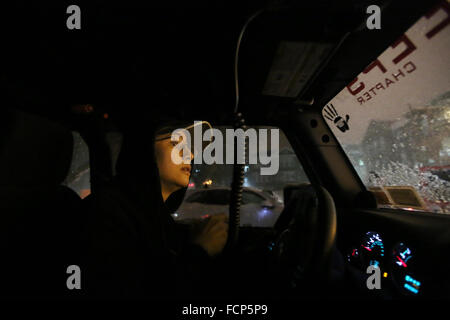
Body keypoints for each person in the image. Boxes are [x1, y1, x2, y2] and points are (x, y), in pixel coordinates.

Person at [82, 117, 228, 298]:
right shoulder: (107, 212)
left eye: (190, 149)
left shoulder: (157, 218)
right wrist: (200, 251)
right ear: (143, 152)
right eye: (175, 143)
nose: (190, 155)